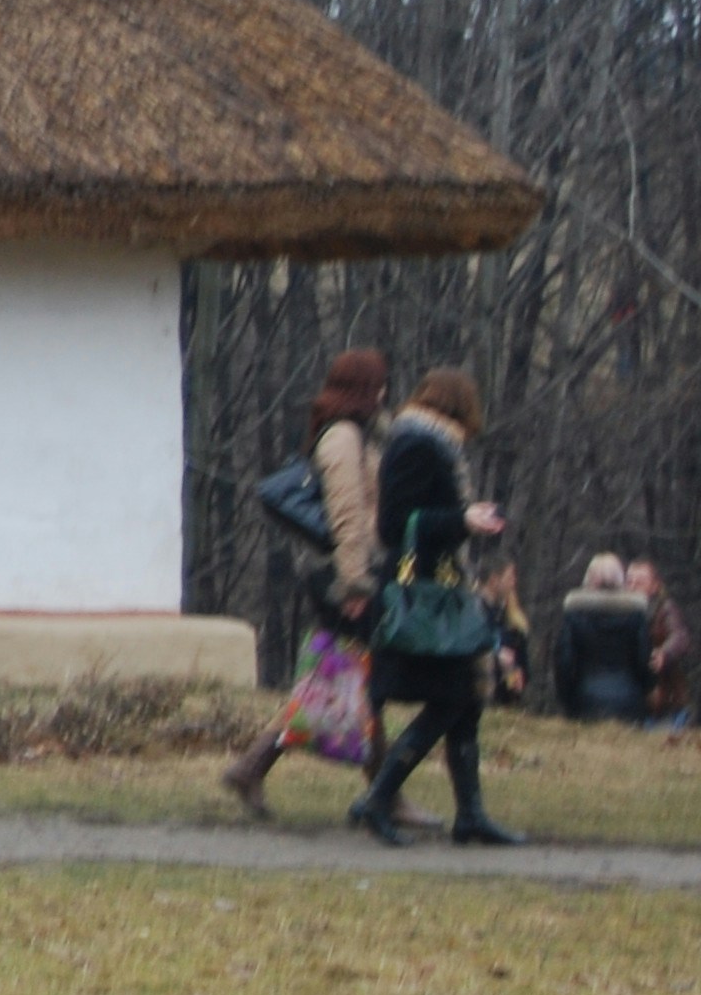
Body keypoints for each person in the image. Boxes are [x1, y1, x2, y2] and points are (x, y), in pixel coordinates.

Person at [348, 366, 519, 847]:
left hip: (437, 589)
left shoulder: (425, 442)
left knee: (466, 702)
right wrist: (462, 518)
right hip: (421, 595)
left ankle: (470, 815)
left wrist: (466, 520)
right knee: (451, 698)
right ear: (459, 408)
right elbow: (396, 525)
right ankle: (379, 800)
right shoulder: (418, 445)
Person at [221, 347, 390, 816]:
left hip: (343, 571)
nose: (385, 392)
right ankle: (384, 791)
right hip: (344, 575)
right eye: (379, 384)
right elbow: (347, 516)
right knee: (347, 678)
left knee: (349, 677)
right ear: (363, 389)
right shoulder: (343, 439)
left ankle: (254, 768)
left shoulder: (353, 434)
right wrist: (354, 583)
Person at [551, 553, 652, 723]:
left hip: (584, 701)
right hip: (629, 702)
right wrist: (644, 690)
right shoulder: (636, 617)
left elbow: (564, 662)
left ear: (589, 579)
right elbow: (644, 660)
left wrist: (567, 697)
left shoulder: (574, 616)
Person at [634, 559, 695, 726]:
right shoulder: (623, 613)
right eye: (629, 581)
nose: (632, 586)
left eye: (639, 582)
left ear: (655, 585)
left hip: (666, 698)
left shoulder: (665, 609)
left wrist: (665, 653)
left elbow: (680, 636)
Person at [476, 535, 532, 709]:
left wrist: (517, 676)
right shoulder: (472, 612)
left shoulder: (510, 619)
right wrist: (495, 656)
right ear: (494, 579)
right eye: (509, 578)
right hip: (477, 695)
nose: (513, 583)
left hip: (505, 702)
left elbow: (522, 664)